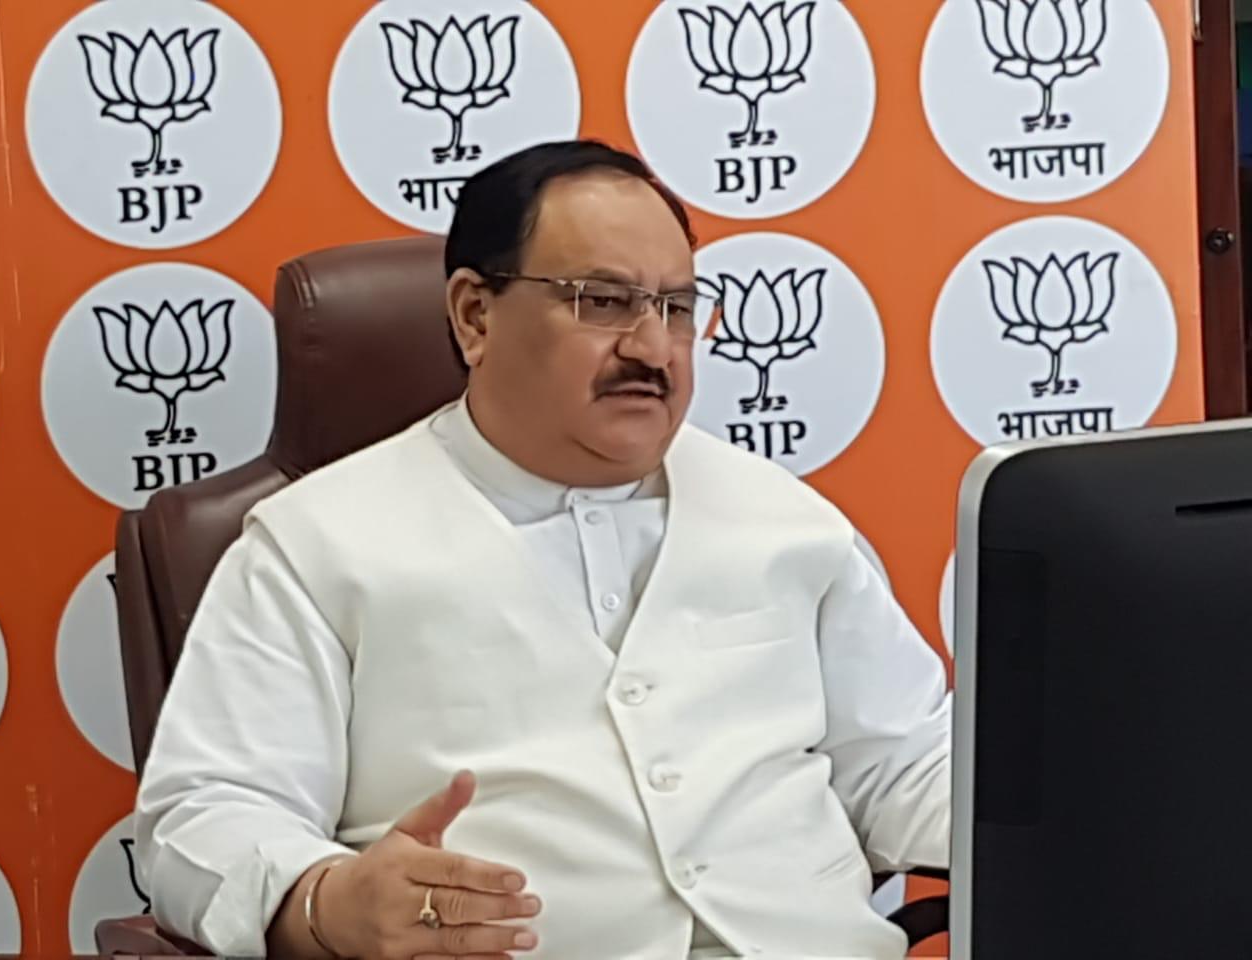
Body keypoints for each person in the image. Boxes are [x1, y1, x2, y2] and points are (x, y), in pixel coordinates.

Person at [135, 140, 951, 960]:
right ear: (474, 316)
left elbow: (900, 766)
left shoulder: (790, 523)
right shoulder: (314, 545)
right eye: (603, 302)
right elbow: (203, 814)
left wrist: (1058, 809)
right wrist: (325, 900)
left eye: (676, 307)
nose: (653, 348)